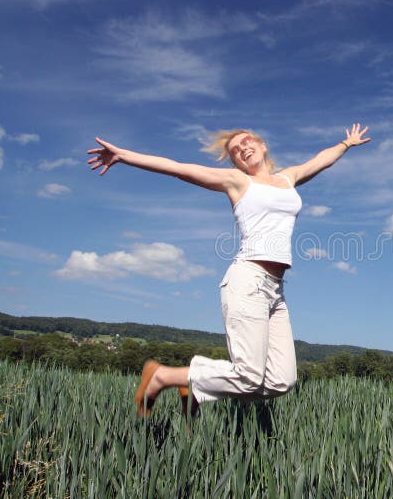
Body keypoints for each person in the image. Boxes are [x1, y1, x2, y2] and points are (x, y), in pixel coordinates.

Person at [86, 123, 370, 419]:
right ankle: (162, 376)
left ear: (262, 146)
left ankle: (193, 386)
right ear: (235, 162)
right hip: (247, 280)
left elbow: (320, 160)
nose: (243, 148)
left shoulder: (288, 179)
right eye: (235, 150)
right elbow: (177, 167)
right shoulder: (237, 181)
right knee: (249, 376)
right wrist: (124, 156)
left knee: (281, 381)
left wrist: (346, 144)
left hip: (275, 290)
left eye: (247, 142)